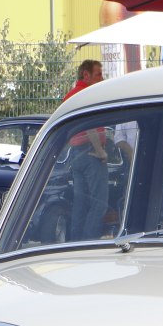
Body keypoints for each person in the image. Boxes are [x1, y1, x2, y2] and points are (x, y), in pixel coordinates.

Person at [62, 59, 108, 241]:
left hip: (76, 154)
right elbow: (89, 125)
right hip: (91, 152)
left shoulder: (70, 95)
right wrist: (100, 151)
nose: (102, 78)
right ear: (86, 75)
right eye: (98, 74)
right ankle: (90, 243)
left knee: (81, 203)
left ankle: (75, 243)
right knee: (99, 203)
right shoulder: (87, 94)